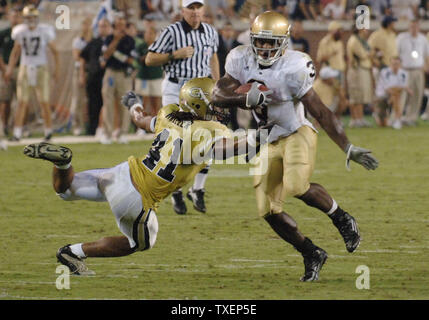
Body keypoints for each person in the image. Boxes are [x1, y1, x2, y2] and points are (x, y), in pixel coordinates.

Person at [22, 77, 256, 275]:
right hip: (136, 198)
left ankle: (64, 164)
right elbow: (229, 149)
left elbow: (140, 119)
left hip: (121, 173)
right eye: (215, 103)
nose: (221, 107)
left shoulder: (169, 114)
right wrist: (263, 137)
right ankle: (73, 252)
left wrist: (134, 104)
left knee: (65, 190)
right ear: (199, 104)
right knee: (140, 243)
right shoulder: (212, 131)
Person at [212, 11, 379, 282]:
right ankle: (311, 252)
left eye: (271, 42)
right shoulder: (240, 58)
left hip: (296, 132)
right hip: (266, 137)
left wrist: (347, 147)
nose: (265, 48)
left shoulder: (295, 67)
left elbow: (321, 111)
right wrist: (243, 100)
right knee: (268, 210)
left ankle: (341, 218)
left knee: (296, 184)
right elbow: (217, 95)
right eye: (261, 41)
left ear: (284, 41)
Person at [145, 0, 220, 215]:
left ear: (203, 9)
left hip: (201, 91)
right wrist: (173, 55)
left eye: (198, 7)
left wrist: (217, 84)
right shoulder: (171, 32)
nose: (195, 12)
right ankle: (175, 190)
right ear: (183, 10)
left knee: (208, 137)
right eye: (191, 8)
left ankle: (197, 189)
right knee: (174, 139)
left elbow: (213, 57)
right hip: (175, 87)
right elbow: (149, 58)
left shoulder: (210, 32)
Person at [5, 4, 59, 141]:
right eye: (28, 17)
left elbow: (55, 51)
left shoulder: (44, 30)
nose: (31, 20)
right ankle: (17, 132)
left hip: (41, 67)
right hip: (25, 67)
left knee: (44, 101)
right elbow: (15, 52)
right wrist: (10, 68)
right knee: (22, 102)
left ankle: (48, 132)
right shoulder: (20, 31)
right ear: (24, 18)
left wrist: (57, 69)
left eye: (33, 17)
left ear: (37, 17)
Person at [99, 15, 136, 144]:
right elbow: (105, 55)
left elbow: (131, 60)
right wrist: (115, 41)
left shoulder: (130, 40)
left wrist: (117, 55)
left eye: (123, 25)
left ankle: (123, 133)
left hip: (124, 74)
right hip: (111, 73)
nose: (120, 28)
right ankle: (107, 133)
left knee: (125, 104)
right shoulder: (109, 38)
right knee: (107, 103)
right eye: (118, 25)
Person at [80, 18, 112, 136]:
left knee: (107, 103)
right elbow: (83, 58)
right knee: (93, 104)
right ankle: (92, 130)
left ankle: (107, 128)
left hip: (108, 78)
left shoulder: (112, 42)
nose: (102, 29)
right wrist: (82, 75)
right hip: (94, 78)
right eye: (100, 26)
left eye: (105, 26)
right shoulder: (93, 42)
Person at [396, 19, 429, 125]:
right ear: (408, 27)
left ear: (419, 28)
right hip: (405, 70)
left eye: (415, 27)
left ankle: (411, 118)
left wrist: (426, 67)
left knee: (417, 94)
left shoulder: (423, 39)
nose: (413, 29)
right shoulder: (401, 38)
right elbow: (396, 53)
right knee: (402, 95)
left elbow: (426, 55)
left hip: (418, 70)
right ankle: (398, 117)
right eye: (412, 27)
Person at [316, 21, 347, 121]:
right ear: (333, 30)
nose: (342, 33)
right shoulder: (325, 42)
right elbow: (320, 59)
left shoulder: (339, 42)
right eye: (339, 30)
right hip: (331, 73)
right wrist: (331, 53)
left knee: (340, 97)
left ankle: (337, 119)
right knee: (333, 97)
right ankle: (328, 119)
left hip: (340, 72)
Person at [346, 26, 374, 128]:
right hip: (356, 70)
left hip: (363, 69)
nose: (367, 31)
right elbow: (363, 55)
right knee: (355, 95)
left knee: (361, 95)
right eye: (365, 29)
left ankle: (360, 118)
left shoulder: (361, 41)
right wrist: (370, 54)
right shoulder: (354, 40)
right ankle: (354, 119)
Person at [374, 56, 411, 129]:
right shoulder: (384, 72)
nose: (395, 66)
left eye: (397, 64)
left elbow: (402, 87)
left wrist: (396, 92)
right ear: (390, 64)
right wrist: (399, 90)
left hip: (395, 95)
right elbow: (388, 88)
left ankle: (397, 120)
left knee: (396, 97)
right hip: (382, 96)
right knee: (382, 124)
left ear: (400, 64)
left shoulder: (404, 73)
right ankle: (379, 116)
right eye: (393, 64)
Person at [0, 8, 21, 138]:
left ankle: (19, 128)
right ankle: (5, 126)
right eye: (14, 16)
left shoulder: (23, 33)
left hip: (21, 68)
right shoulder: (4, 33)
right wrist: (5, 69)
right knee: (5, 100)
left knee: (22, 100)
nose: (16, 19)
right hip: (6, 68)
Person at [135, 26, 163, 119]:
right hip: (143, 77)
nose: (148, 35)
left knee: (156, 102)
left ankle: (156, 123)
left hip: (157, 76)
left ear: (155, 35)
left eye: (150, 33)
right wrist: (150, 56)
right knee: (144, 102)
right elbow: (139, 60)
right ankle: (142, 124)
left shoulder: (159, 46)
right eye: (146, 33)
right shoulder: (141, 46)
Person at [70, 17, 92, 136]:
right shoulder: (78, 41)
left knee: (90, 100)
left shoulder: (94, 40)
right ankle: (77, 125)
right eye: (84, 24)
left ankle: (89, 125)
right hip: (79, 70)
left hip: (91, 71)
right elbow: (77, 56)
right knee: (78, 99)